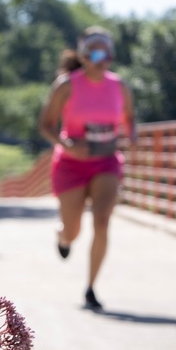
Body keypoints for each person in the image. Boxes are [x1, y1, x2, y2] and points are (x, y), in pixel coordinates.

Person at [38, 27, 137, 311]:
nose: (100, 57)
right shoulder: (66, 85)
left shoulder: (120, 86)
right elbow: (45, 125)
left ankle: (91, 287)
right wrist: (66, 145)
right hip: (71, 164)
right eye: (94, 51)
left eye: (106, 51)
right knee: (73, 230)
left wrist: (132, 136)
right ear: (83, 56)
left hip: (106, 161)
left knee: (103, 221)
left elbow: (130, 118)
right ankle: (62, 235)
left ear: (112, 55)